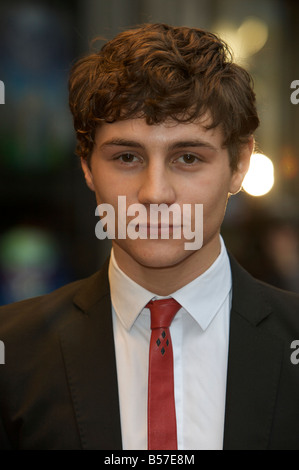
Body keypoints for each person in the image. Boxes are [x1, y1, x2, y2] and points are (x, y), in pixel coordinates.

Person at [1, 23, 299, 451]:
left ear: (239, 165)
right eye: (126, 157)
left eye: (188, 157)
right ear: (87, 166)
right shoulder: (11, 352)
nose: (154, 193)